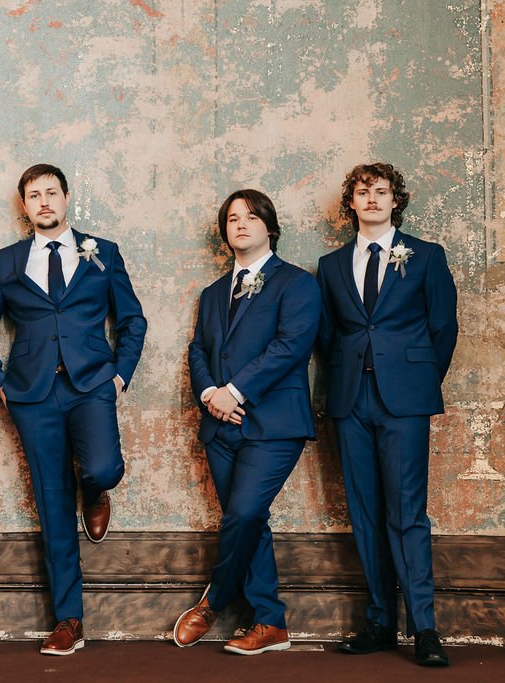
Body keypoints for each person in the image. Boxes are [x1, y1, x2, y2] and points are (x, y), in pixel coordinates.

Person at [0, 164, 147, 655]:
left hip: (91, 386)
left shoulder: (103, 253)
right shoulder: (4, 262)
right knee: (51, 504)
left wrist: (120, 373)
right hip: (32, 395)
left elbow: (132, 320)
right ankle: (69, 619)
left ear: (66, 197)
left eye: (51, 192)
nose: (43, 201)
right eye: (33, 195)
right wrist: (0, 383)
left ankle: (95, 491)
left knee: (104, 468)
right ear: (24, 206)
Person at [316, 163, 458, 667]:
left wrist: (415, 382)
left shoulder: (426, 256)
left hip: (405, 400)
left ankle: (424, 628)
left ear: (395, 200)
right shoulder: (330, 266)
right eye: (362, 191)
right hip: (351, 399)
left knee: (406, 513)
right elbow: (330, 335)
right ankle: (379, 620)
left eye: (381, 191)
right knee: (365, 512)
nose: (372, 198)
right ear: (350, 203)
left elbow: (443, 328)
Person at [173, 189, 320, 655]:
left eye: (251, 216)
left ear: (269, 226)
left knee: (244, 513)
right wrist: (209, 394)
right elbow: (199, 350)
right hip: (219, 426)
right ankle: (270, 622)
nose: (241, 224)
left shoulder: (297, 283)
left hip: (275, 423)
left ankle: (213, 599)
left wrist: (234, 391)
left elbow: (291, 345)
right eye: (233, 218)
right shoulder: (213, 293)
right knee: (251, 519)